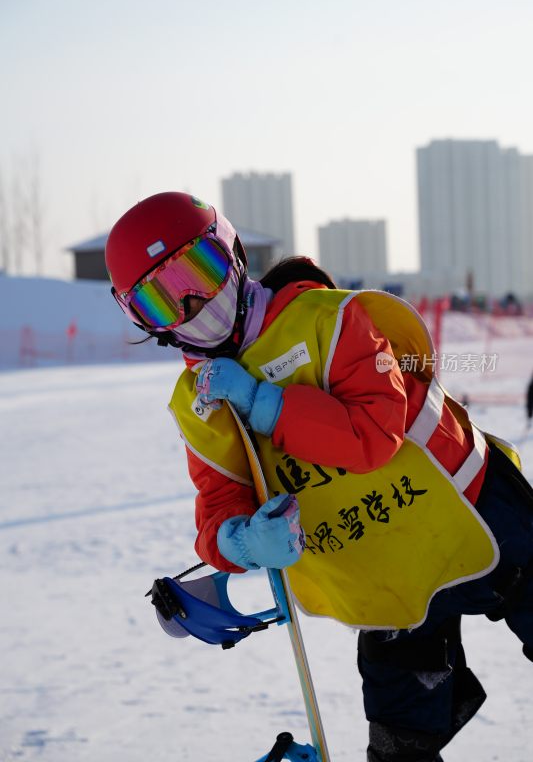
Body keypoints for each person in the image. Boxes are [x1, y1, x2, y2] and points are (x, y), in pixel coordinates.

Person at [105, 192, 533, 762]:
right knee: (400, 744)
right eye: (161, 301)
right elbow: (217, 503)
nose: (195, 305)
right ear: (141, 320)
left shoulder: (330, 321)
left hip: (481, 515)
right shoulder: (198, 403)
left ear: (232, 253)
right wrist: (240, 540)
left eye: (199, 271)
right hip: (384, 572)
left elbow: (373, 434)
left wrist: (262, 402)